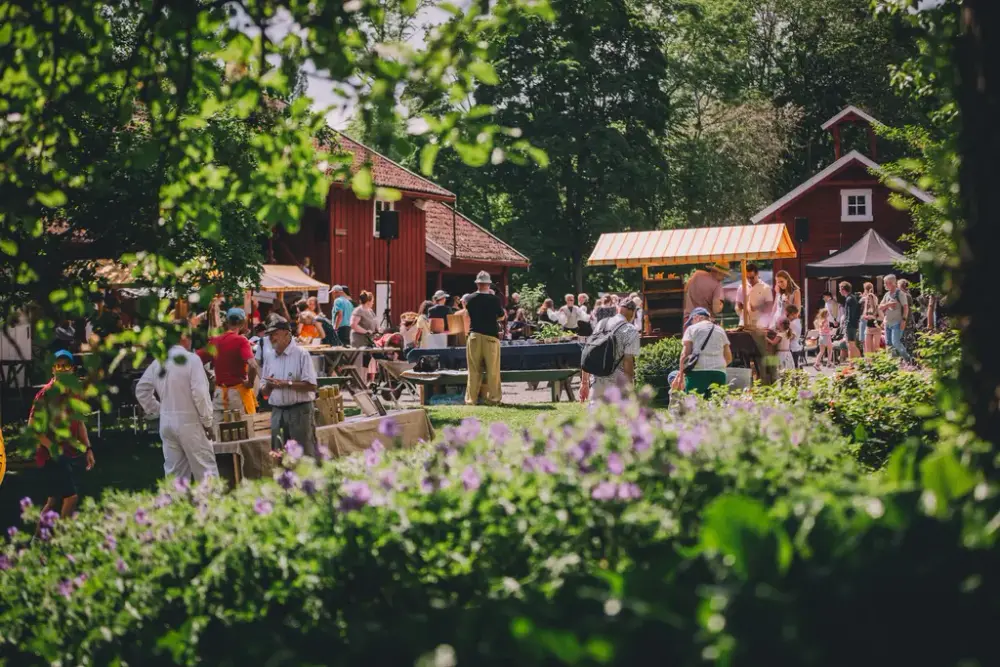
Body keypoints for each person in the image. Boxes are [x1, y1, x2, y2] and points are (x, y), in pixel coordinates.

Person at [136, 322, 219, 481]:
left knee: (175, 477)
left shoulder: (158, 362)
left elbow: (141, 390)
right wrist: (208, 422)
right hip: (191, 422)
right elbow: (200, 394)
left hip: (167, 423)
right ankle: (211, 505)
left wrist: (158, 410)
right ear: (184, 337)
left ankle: (174, 505)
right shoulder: (192, 359)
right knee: (207, 473)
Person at [29, 350, 95, 523]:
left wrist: (88, 448)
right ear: (53, 370)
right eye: (58, 365)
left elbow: (79, 423)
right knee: (71, 497)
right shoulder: (45, 395)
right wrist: (51, 447)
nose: (62, 369)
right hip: (51, 455)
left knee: (53, 500)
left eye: (65, 365)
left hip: (68, 452)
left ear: (72, 369)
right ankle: (60, 539)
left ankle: (39, 540)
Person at [260, 321, 318, 456]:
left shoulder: (301, 354)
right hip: (277, 413)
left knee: (304, 457)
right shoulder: (269, 357)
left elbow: (312, 385)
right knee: (280, 456)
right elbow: (263, 390)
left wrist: (287, 384)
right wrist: (269, 386)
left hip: (299, 411)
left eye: (275, 334)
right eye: (269, 335)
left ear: (287, 335)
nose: (271, 338)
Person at [197, 307, 259, 424]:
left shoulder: (215, 341)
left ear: (226, 323)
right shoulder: (242, 341)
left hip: (219, 395)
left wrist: (210, 377)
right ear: (242, 324)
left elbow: (196, 360)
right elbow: (253, 365)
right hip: (238, 395)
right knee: (243, 433)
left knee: (219, 434)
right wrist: (250, 383)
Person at [463, 271, 505, 405]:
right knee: (493, 370)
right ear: (488, 284)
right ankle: (494, 399)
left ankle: (471, 400)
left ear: (477, 284)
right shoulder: (495, 300)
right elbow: (501, 316)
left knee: (474, 370)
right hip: (490, 337)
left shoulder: (468, 299)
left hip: (474, 336)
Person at [671, 307, 732, 397]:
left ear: (697, 317)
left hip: (697, 371)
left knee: (693, 405)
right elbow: (728, 357)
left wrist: (680, 377)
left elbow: (684, 354)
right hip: (719, 372)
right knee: (717, 406)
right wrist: (717, 367)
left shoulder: (692, 329)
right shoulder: (720, 330)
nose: (691, 323)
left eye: (691, 321)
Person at [588, 299, 642, 401]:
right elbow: (628, 362)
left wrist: (584, 383)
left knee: (596, 415)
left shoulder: (601, 323)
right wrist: (630, 388)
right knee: (619, 416)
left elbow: (589, 350)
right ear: (633, 312)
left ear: (618, 310)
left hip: (596, 379)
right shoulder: (630, 329)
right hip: (617, 382)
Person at [879, 274, 911, 361]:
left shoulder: (900, 293)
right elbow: (880, 307)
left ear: (892, 283)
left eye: (886, 283)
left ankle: (908, 359)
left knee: (896, 343)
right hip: (888, 323)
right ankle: (894, 363)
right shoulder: (886, 295)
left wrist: (904, 321)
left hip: (897, 322)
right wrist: (888, 304)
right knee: (889, 344)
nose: (884, 285)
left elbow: (905, 307)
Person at [735, 263, 773, 328]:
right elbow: (738, 305)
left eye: (752, 278)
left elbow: (769, 307)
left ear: (757, 274)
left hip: (760, 324)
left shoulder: (766, 288)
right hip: (744, 323)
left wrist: (757, 307)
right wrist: (742, 308)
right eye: (747, 277)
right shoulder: (741, 287)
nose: (749, 280)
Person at [840, 281, 862, 359]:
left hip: (850, 325)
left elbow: (849, 314)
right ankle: (852, 363)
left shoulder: (849, 299)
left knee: (850, 345)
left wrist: (846, 325)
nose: (839, 291)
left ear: (843, 289)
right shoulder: (852, 298)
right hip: (853, 324)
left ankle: (860, 361)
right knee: (850, 345)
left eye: (840, 289)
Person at [861, 282, 882, 355]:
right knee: (867, 347)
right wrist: (865, 317)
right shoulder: (867, 308)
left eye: (870, 300)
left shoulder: (877, 308)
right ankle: (868, 363)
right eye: (868, 300)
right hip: (868, 328)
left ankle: (877, 362)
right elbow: (863, 316)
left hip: (876, 329)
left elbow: (881, 318)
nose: (869, 302)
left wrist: (873, 317)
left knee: (875, 347)